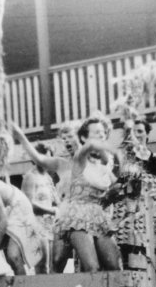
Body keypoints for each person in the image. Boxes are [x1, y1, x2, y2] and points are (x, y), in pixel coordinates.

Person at [54, 115, 122, 272]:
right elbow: (92, 144)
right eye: (96, 132)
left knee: (114, 265)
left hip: (98, 215)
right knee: (92, 266)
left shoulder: (104, 163)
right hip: (77, 213)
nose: (101, 135)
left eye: (103, 132)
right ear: (83, 137)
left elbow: (115, 184)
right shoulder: (80, 155)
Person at [112, 118, 156, 262]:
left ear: (147, 136)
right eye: (133, 132)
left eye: (140, 131)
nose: (136, 135)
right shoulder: (121, 158)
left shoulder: (153, 158)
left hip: (149, 215)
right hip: (126, 215)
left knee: (149, 252)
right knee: (126, 252)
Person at [11, 121, 78, 272]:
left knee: (71, 262)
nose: (66, 141)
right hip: (45, 224)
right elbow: (27, 203)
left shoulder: (49, 178)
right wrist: (21, 137)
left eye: (70, 137)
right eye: (64, 138)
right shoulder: (34, 175)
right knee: (51, 264)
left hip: (63, 221)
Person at [20, 142, 59, 273]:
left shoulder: (48, 177)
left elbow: (55, 200)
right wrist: (52, 211)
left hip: (50, 225)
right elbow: (27, 204)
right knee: (43, 267)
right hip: (36, 226)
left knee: (54, 266)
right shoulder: (30, 176)